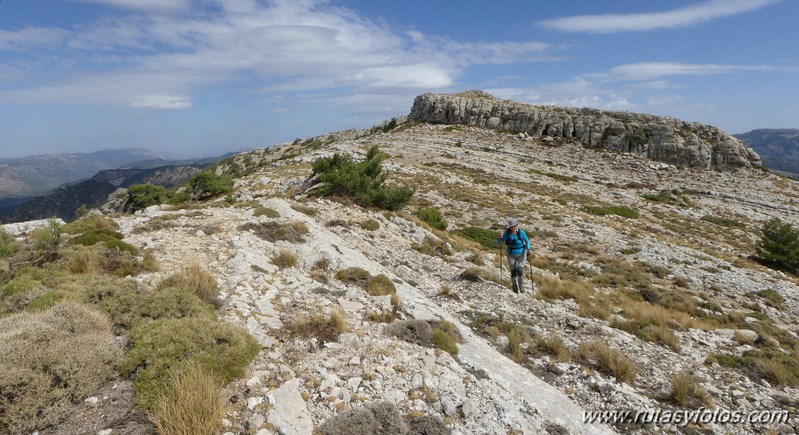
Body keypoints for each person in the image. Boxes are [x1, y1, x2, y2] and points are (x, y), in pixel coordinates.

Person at [498, 218, 531, 293]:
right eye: (511, 227)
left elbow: (527, 241)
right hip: (511, 253)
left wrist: (528, 249)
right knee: (513, 272)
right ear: (509, 227)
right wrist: (499, 239)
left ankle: (521, 286)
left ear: (516, 226)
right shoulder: (507, 233)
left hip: (521, 253)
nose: (513, 228)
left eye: (514, 226)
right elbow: (500, 242)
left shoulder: (521, 233)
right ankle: (514, 288)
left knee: (519, 270)